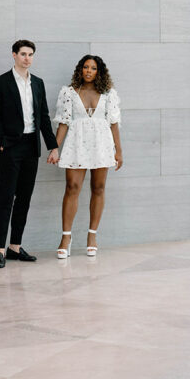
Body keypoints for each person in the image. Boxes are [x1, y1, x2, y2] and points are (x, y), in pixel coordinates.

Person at [0, 40, 59, 269]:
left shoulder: (38, 83)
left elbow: (43, 116)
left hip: (31, 146)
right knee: (6, 198)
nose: (27, 58)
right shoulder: (0, 83)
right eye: (23, 54)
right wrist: (0, 142)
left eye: (31, 54)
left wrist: (53, 146)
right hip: (10, 146)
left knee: (24, 199)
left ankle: (15, 247)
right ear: (14, 55)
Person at [50, 54, 123, 258]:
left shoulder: (109, 94)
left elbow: (113, 123)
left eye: (93, 68)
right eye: (85, 67)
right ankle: (66, 237)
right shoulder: (69, 92)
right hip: (77, 143)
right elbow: (63, 122)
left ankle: (92, 236)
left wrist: (118, 151)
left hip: (101, 143)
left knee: (98, 188)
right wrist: (54, 148)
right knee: (72, 187)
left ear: (99, 72)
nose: (88, 71)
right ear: (80, 69)